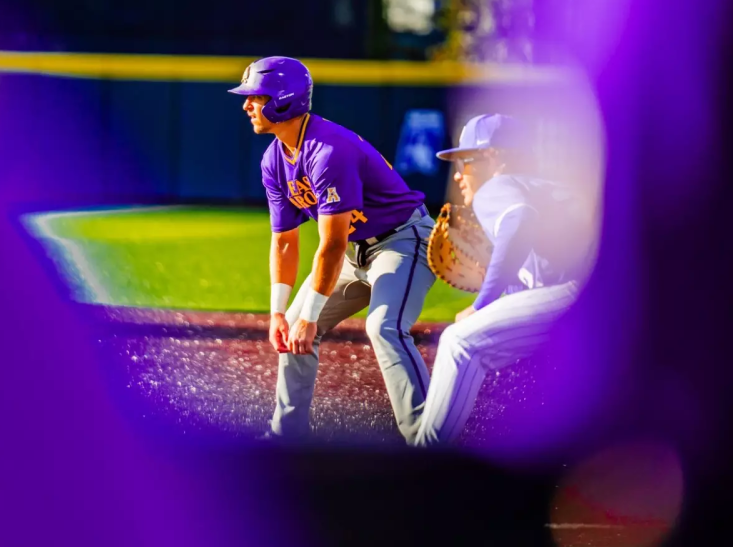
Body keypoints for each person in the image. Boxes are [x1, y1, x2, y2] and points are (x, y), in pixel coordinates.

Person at [229, 56, 437, 443]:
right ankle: (285, 439)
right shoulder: (274, 159)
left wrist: (310, 315)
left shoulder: (328, 149)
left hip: (403, 240)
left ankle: (427, 439)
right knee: (292, 327)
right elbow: (284, 240)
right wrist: (279, 312)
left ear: (283, 100)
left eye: (255, 97)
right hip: (353, 252)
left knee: (385, 327)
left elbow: (331, 242)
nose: (246, 105)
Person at [413, 113, 594, 446]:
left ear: (493, 157)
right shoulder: (541, 188)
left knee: (460, 342)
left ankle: (422, 461)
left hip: (585, 294)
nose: (458, 174)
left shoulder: (498, 186)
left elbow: (519, 219)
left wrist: (483, 304)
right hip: (612, 298)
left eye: (464, 161)